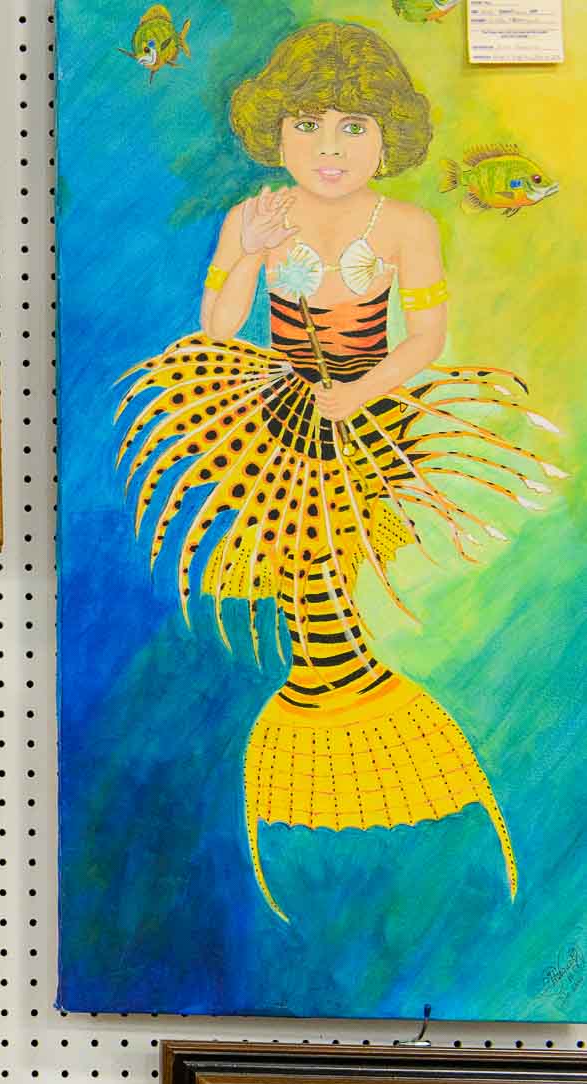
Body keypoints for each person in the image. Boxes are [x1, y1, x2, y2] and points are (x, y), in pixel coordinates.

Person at [115, 21, 562, 921]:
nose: (329, 148)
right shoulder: (252, 215)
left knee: (333, 564)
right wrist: (243, 255)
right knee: (291, 564)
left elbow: (427, 338)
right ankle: (327, 703)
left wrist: (360, 396)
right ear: (274, 130)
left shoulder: (406, 224)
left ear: (387, 134)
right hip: (267, 413)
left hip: (368, 415)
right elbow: (215, 326)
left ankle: (351, 708)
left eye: (354, 127)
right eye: (310, 125)